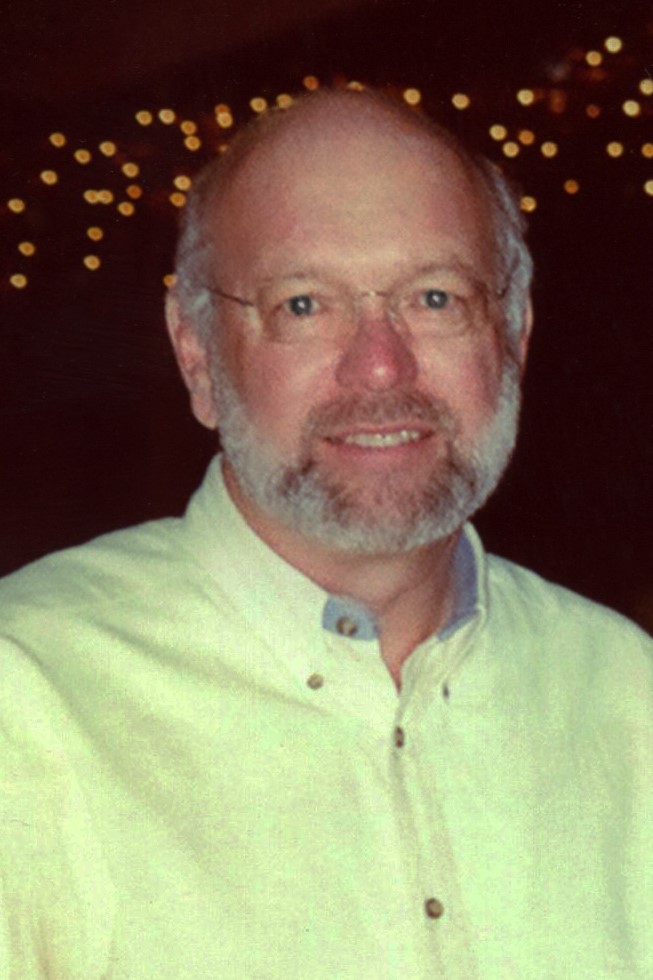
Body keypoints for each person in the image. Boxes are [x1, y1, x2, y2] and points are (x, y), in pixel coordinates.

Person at [1, 87, 651, 979]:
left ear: (514, 335)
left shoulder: (625, 697)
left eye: (435, 297)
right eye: (304, 305)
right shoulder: (30, 699)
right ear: (197, 353)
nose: (379, 365)